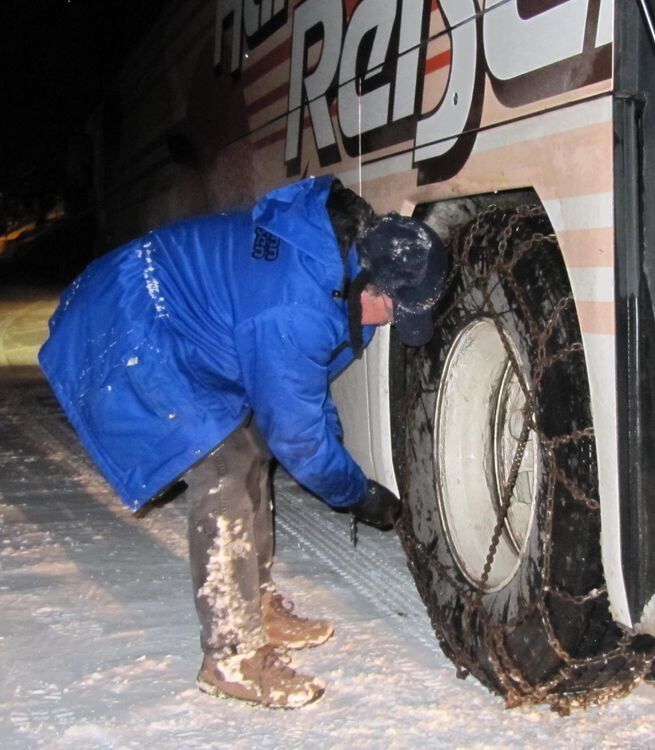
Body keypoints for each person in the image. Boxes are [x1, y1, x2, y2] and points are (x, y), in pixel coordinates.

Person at [38, 175, 447, 709]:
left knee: (254, 444)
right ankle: (231, 654)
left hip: (175, 313)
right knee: (224, 465)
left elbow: (304, 393)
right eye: (397, 311)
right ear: (373, 285)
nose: (394, 323)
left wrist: (338, 455)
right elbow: (298, 435)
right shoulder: (295, 306)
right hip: (133, 318)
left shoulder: (339, 276)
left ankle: (254, 599)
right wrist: (355, 493)